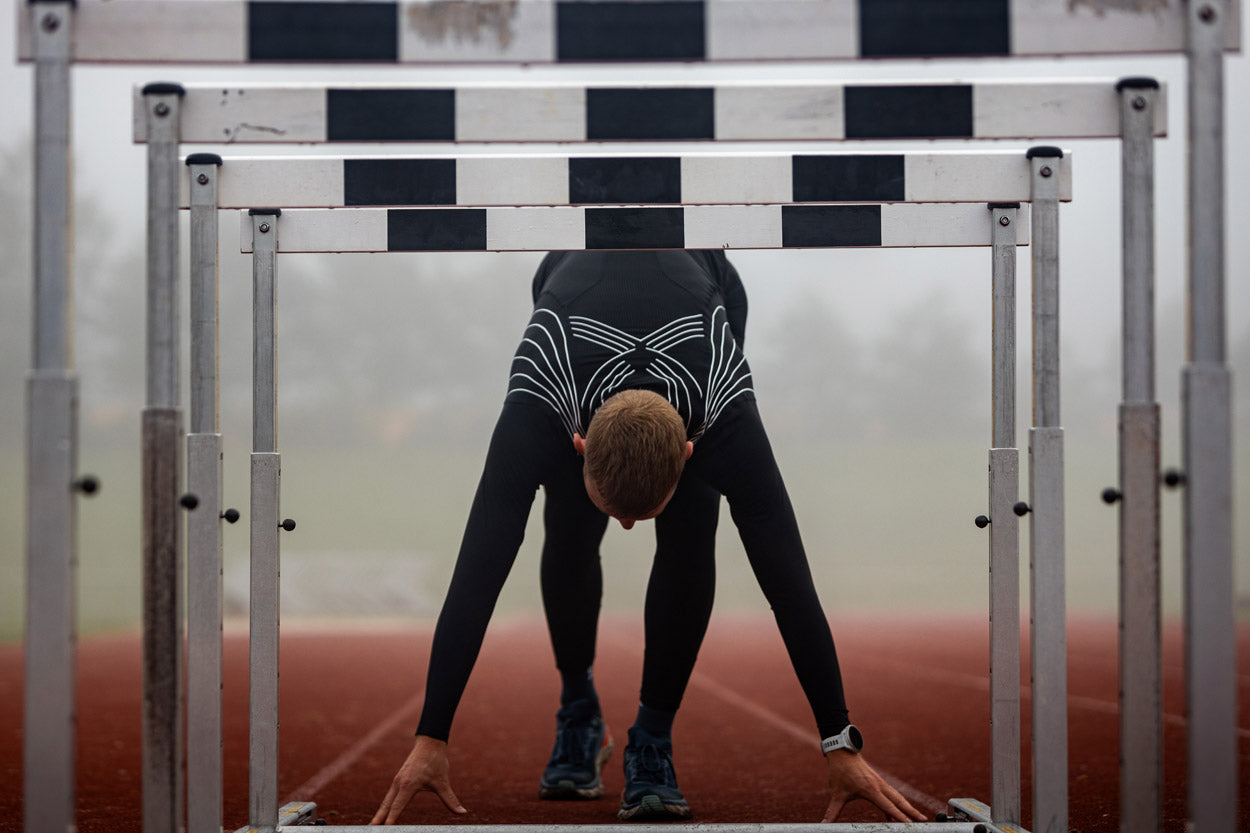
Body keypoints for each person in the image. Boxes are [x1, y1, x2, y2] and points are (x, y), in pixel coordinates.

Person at [370, 251, 923, 825]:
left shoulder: (723, 408)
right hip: (569, 285)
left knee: (692, 527)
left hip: (707, 282)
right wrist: (429, 737)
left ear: (690, 451)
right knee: (568, 521)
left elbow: (789, 584)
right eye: (620, 512)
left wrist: (841, 740)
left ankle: (652, 738)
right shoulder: (538, 400)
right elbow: (477, 575)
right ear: (577, 444)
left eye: (641, 512)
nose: (629, 526)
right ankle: (578, 709)